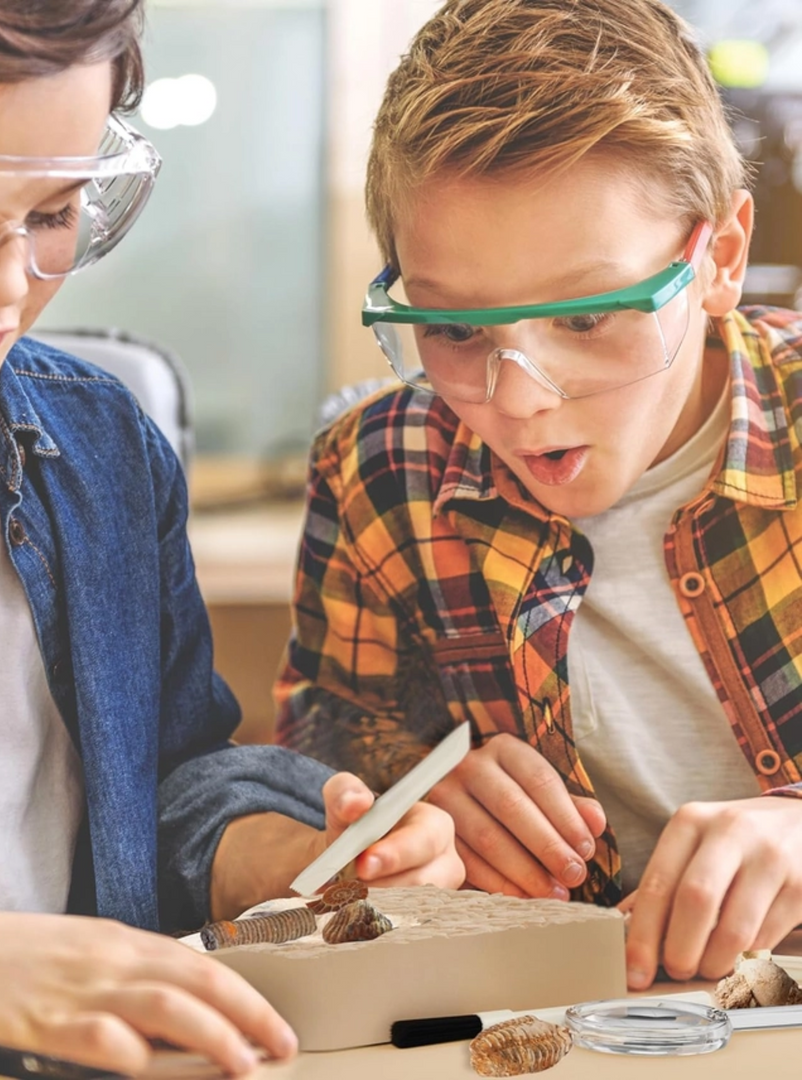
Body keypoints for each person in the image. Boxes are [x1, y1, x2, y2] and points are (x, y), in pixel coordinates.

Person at [0, 0, 464, 1074]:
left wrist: (277, 865)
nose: (6, 282)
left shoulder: (102, 446)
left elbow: (156, 794)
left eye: (60, 210)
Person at [275, 0, 802, 996]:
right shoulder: (381, 469)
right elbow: (328, 731)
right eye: (454, 330)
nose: (515, 399)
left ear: (721, 258)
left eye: (594, 316)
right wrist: (415, 794)